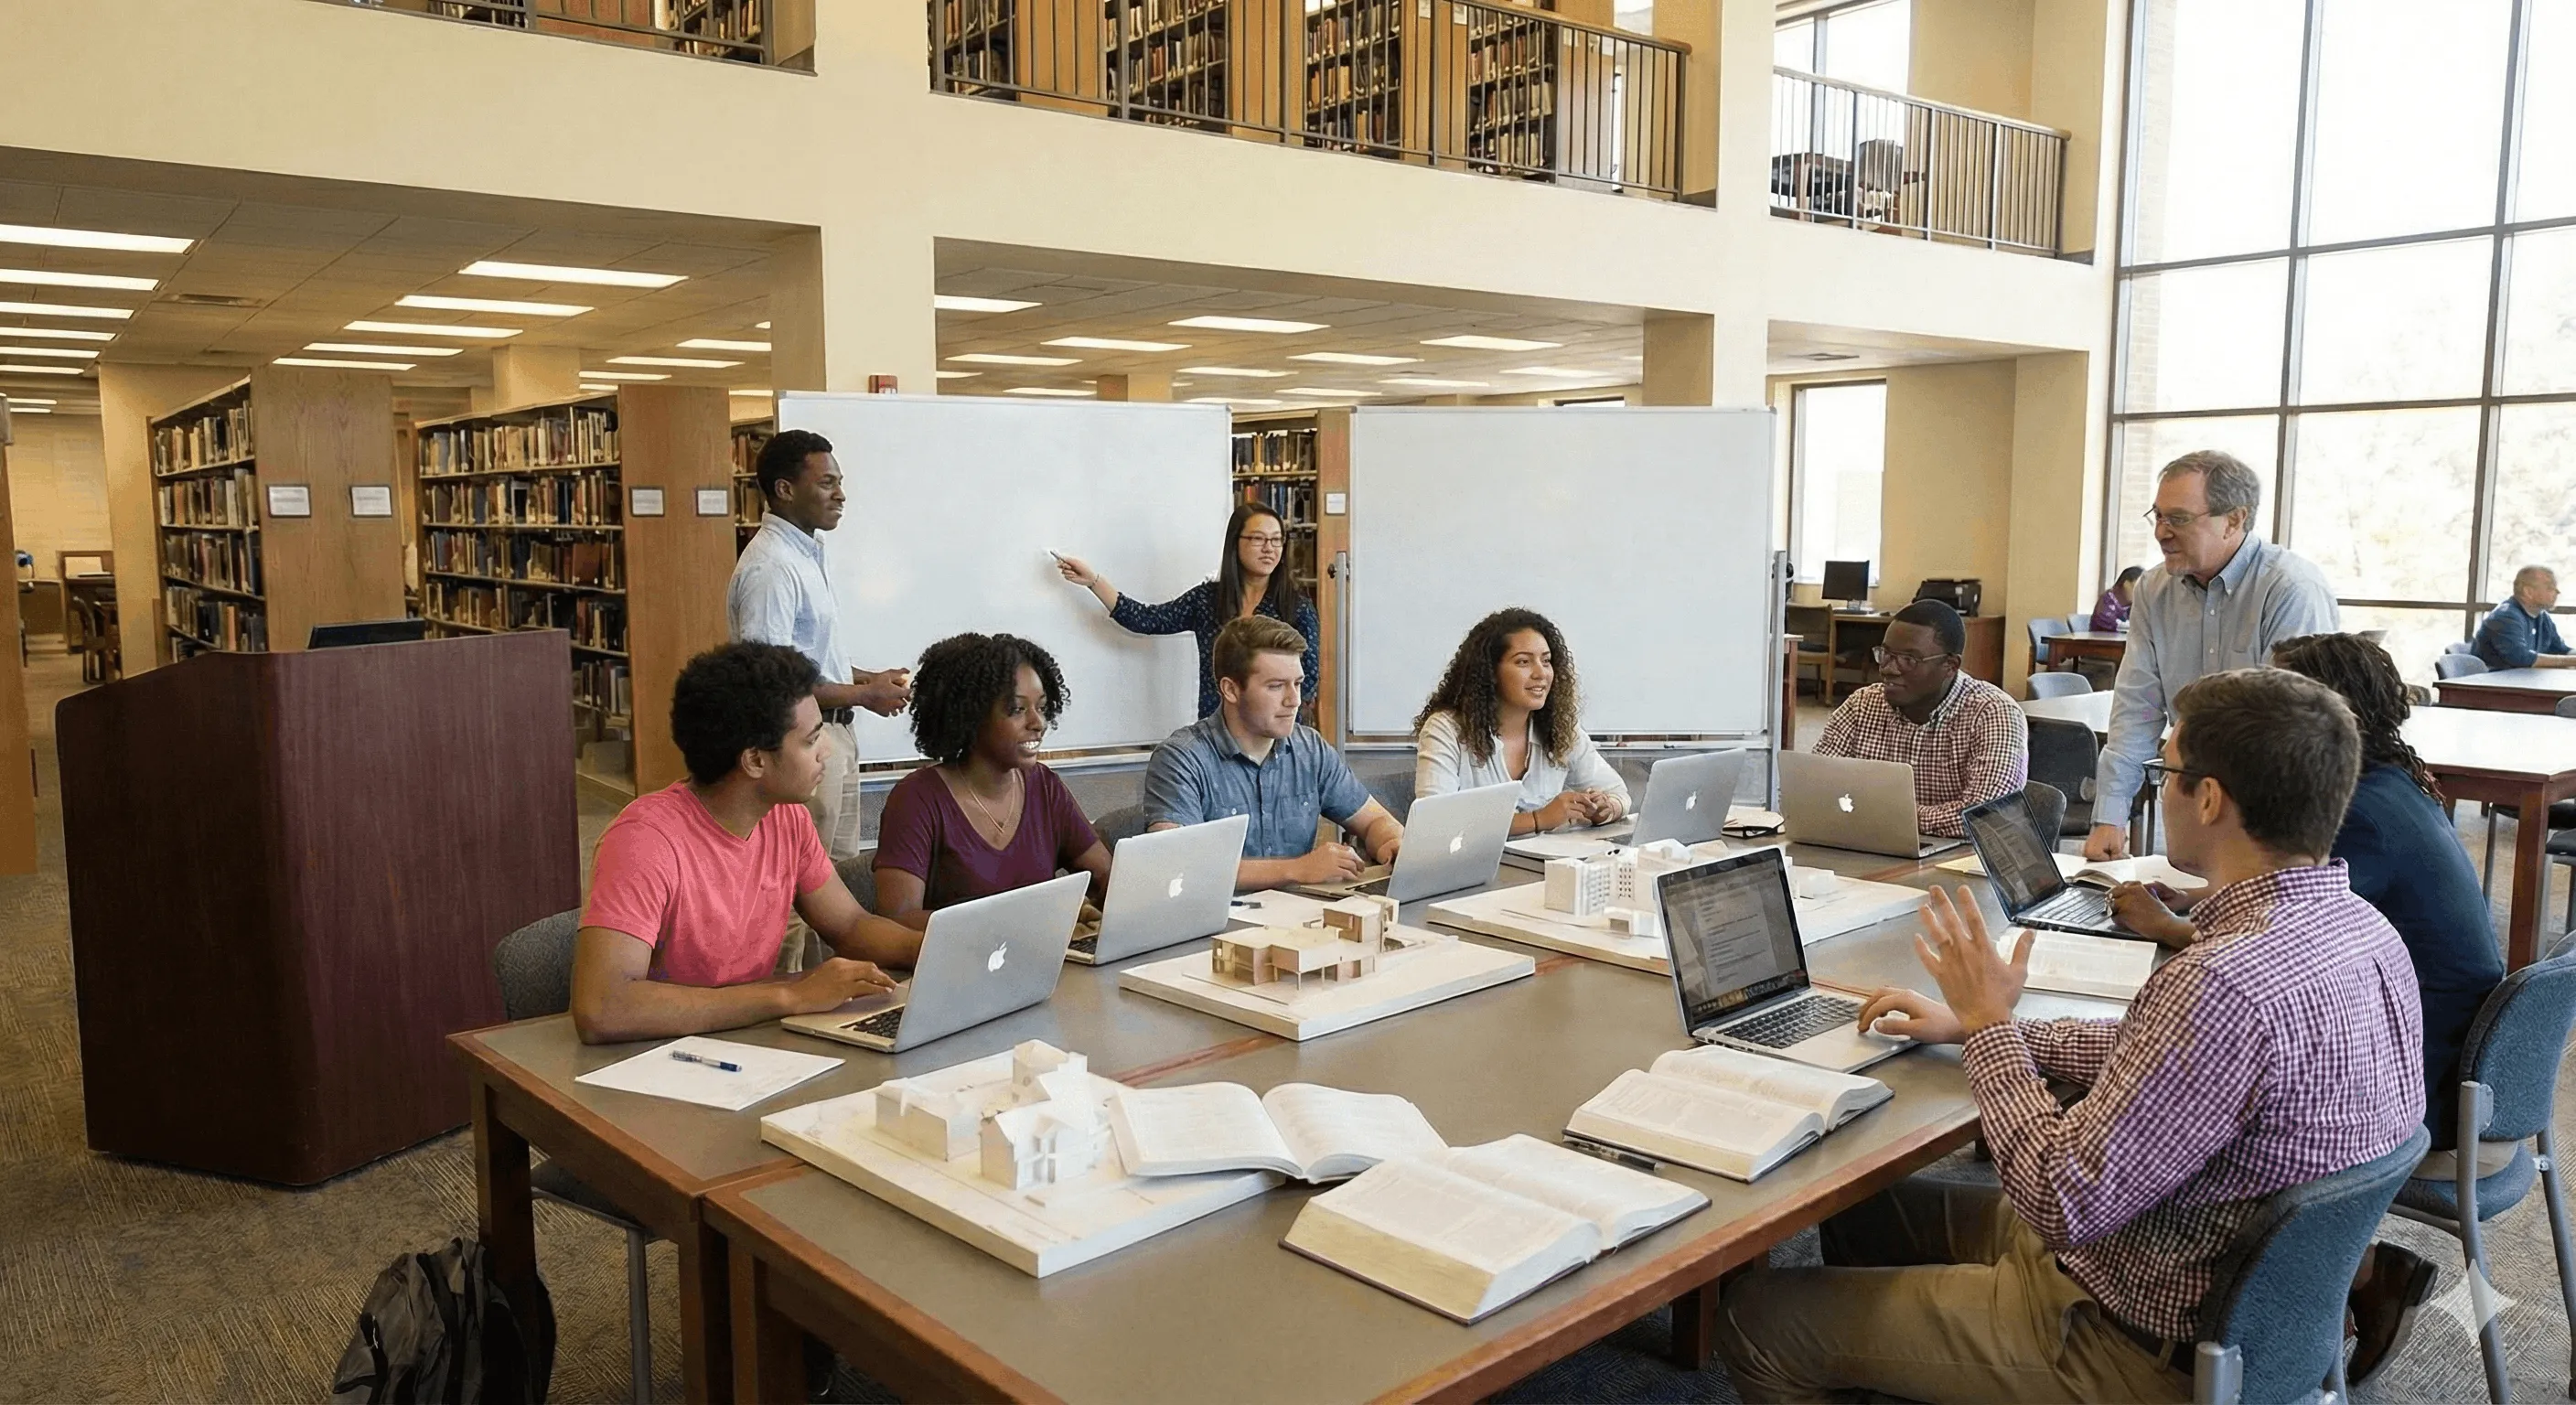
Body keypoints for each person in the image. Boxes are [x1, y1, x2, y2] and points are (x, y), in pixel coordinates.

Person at [1716, 668, 2423, 1403]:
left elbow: (2060, 1200)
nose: (2161, 784)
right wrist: (1991, 1027)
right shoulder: (2365, 933)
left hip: (2132, 1336)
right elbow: (2159, 1056)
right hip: (2201, 1279)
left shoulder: (2222, 983)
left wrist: (1990, 1029)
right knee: (1860, 1211)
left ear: (2209, 798)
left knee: (1760, 1319)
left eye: (2167, 769)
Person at [2109, 633, 2499, 1385]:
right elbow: (2295, 906)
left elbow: (2285, 949)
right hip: (2420, 1048)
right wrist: (2208, 896)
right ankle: (2354, 1273)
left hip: (2419, 1070)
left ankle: (2268, 1275)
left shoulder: (2363, 815)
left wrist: (2175, 927)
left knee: (2185, 1085)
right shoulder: (2391, 784)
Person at [569, 643, 919, 1045]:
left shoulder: (786, 817)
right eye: (810, 740)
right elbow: (603, 1007)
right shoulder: (643, 842)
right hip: (652, 1058)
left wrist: (941, 948)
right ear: (754, 761)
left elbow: (851, 926)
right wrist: (788, 993)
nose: (825, 752)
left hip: (744, 1044)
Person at [2086, 449, 2339, 861]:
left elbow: (2298, 736)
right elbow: (2137, 709)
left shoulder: (2291, 589)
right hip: (2193, 804)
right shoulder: (2153, 591)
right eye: (2159, 516)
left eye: (2179, 519)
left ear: (2234, 520)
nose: (2161, 533)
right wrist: (2109, 817)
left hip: (2275, 816)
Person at [727, 428, 915, 862]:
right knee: (799, 886)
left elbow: (808, 659)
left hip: (834, 736)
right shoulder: (771, 568)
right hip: (800, 743)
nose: (841, 495)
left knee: (838, 881)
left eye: (840, 482)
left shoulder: (808, 553)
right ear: (785, 489)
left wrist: (867, 678)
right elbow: (773, 681)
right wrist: (866, 694)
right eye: (827, 483)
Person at [1142, 615, 1402, 892]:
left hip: (1297, 920)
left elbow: (1375, 820)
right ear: (1231, 690)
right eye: (1276, 686)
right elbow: (1179, 865)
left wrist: (1391, 842)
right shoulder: (1181, 759)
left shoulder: (1310, 749)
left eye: (1298, 684)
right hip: (1218, 924)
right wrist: (1298, 869)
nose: (1294, 700)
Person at [873, 632, 1111, 929]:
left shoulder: (1043, 786)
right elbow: (897, 920)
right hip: (959, 968)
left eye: (1041, 707)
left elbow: (1106, 877)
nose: (1038, 723)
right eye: (1017, 709)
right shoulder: (917, 798)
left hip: (1043, 962)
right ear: (970, 717)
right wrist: (1018, 923)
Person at [1054, 499, 1321, 719]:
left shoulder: (1295, 606)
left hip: (1273, 732)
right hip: (1216, 730)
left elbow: (1308, 679)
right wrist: (1093, 582)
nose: (1269, 549)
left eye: (1276, 540)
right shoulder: (1208, 599)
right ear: (1235, 542)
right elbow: (1147, 619)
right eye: (1258, 539)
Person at [1812, 598, 2026, 838]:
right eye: (1885, 654)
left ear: (1950, 665)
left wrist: (1889, 815)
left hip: (1958, 861)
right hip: (1870, 848)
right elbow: (1814, 786)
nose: (1888, 668)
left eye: (1908, 659)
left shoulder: (1992, 713)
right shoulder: (1862, 705)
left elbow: (1985, 816)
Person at [1411, 607, 1629, 835]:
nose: (1541, 673)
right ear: (1490, 672)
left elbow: (1619, 793)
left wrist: (1605, 809)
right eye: (1524, 662)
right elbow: (1434, 823)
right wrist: (1536, 820)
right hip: (1473, 869)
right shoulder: (1446, 729)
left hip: (1543, 868)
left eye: (1546, 661)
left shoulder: (1560, 728)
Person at [2473, 564, 2573, 670]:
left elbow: (2560, 650)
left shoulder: (2542, 617)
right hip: (2491, 683)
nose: (2557, 592)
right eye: (2550, 588)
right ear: (2528, 592)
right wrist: (2572, 661)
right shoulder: (2506, 616)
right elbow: (2521, 658)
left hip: (2521, 682)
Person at [2090, 565, 2142, 632]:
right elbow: (2109, 623)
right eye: (2138, 587)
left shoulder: (2134, 605)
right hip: (2103, 641)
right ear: (2126, 584)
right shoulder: (2106, 601)